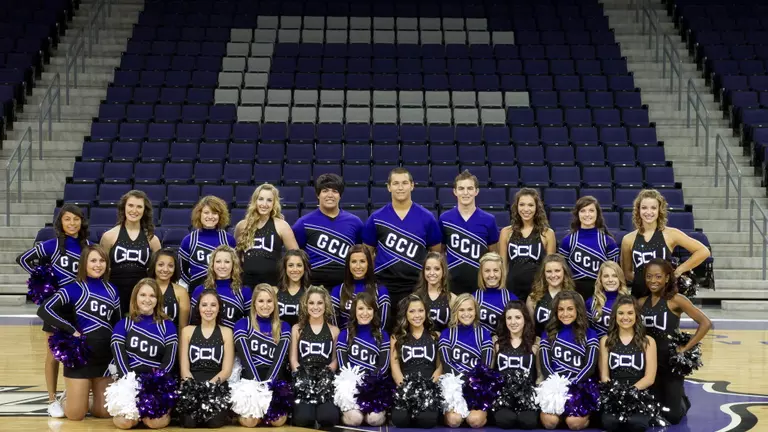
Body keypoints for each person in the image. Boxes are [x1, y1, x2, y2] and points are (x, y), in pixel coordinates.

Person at [17, 204, 90, 417]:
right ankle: (51, 398)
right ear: (60, 222)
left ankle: (71, 392)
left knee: (79, 348)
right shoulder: (51, 245)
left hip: (80, 306)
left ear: (82, 222)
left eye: (76, 219)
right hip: (56, 306)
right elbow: (22, 259)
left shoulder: (88, 246)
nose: (72, 223)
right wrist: (43, 278)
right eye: (67, 219)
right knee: (53, 355)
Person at [37, 245, 120, 421]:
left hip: (104, 356)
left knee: (104, 412)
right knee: (76, 415)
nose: (98, 265)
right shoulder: (73, 288)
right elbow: (45, 310)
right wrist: (70, 329)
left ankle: (86, 397)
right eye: (93, 261)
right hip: (81, 356)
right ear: (84, 264)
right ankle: (70, 397)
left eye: (102, 260)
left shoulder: (113, 290)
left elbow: (117, 324)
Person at [363, 167, 442, 327]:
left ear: (412, 185)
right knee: (384, 329)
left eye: (404, 183)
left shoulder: (427, 218)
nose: (400, 187)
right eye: (396, 183)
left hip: (416, 285)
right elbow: (367, 253)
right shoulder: (376, 218)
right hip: (384, 285)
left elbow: (436, 252)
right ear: (388, 187)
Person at [639, 258, 711, 425]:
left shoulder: (676, 300)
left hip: (670, 362)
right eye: (649, 276)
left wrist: (685, 348)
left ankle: (682, 400)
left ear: (667, 278)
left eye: (658, 276)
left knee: (673, 416)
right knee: (651, 411)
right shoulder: (641, 302)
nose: (653, 281)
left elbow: (705, 323)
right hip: (650, 363)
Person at [111, 278, 178, 429]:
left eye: (152, 296)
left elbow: (169, 360)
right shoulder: (123, 324)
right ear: (135, 297)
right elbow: (120, 358)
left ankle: (157, 411)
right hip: (130, 380)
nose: (147, 299)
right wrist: (130, 384)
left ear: (158, 299)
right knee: (125, 423)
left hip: (156, 382)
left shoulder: (168, 326)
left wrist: (155, 384)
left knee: (155, 423)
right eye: (142, 295)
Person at [620, 189, 710, 298]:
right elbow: (627, 273)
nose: (648, 212)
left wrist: (678, 271)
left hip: (665, 295)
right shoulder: (628, 239)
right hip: (639, 296)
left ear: (660, 210)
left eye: (653, 208)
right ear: (638, 210)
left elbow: (703, 251)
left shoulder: (671, 234)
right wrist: (644, 280)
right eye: (644, 208)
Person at [233, 283, 292, 427]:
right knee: (250, 422)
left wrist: (267, 387)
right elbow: (246, 360)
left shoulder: (284, 326)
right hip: (250, 380)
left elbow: (279, 360)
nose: (265, 305)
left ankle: (263, 413)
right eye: (261, 301)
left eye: (269, 301)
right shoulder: (242, 324)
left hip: (274, 378)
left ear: (275, 303)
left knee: (277, 421)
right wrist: (258, 387)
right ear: (254, 303)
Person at [539, 291, 599, 430]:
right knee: (550, 422)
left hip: (579, 385)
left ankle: (586, 418)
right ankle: (561, 417)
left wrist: (572, 385)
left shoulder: (590, 334)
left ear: (578, 309)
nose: (565, 313)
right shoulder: (548, 334)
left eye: (570, 309)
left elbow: (590, 366)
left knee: (574, 424)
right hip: (554, 387)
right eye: (561, 309)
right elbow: (545, 365)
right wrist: (558, 387)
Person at [292, 173, 364, 288]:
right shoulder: (303, 223)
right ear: (317, 195)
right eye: (325, 191)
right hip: (313, 288)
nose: (330, 195)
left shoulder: (355, 223)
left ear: (340, 195)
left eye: (335, 191)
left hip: (346, 287)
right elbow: (295, 255)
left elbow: (361, 255)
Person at [178, 288, 235, 428]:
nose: (208, 309)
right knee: (189, 423)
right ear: (198, 308)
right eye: (204, 305)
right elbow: (184, 369)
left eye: (213, 305)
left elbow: (226, 371)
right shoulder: (187, 331)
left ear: (219, 308)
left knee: (213, 423)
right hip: (192, 385)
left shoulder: (227, 332)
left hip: (216, 386)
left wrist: (208, 388)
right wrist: (194, 390)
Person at [599, 295, 657, 432]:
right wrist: (617, 393)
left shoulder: (648, 342)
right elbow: (604, 376)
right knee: (610, 424)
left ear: (637, 315)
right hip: (614, 396)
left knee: (637, 425)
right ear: (615, 316)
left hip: (638, 395)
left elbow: (649, 378)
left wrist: (630, 392)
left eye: (630, 313)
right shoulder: (605, 341)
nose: (625, 317)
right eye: (621, 313)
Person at [100, 190, 162, 314]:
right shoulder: (109, 236)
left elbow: (158, 271)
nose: (134, 210)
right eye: (131, 205)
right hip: (114, 293)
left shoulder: (152, 240)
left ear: (145, 210)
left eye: (139, 206)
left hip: (143, 296)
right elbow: (102, 269)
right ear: (124, 207)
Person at [439, 170, 499, 295]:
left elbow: (493, 254)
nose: (465, 193)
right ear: (455, 191)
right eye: (461, 188)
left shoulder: (489, 220)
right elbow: (441, 251)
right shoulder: (445, 219)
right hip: (452, 285)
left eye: (470, 188)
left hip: (480, 285)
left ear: (476, 191)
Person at [336, 292, 391, 427]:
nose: (365, 313)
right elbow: (343, 367)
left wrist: (370, 384)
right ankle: (346, 413)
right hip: (351, 388)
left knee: (374, 420)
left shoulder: (382, 335)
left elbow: (383, 366)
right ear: (354, 311)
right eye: (361, 308)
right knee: (355, 420)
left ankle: (380, 412)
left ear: (374, 311)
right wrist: (357, 385)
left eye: (369, 308)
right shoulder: (345, 334)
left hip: (374, 386)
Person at [439, 294, 493, 428]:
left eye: (470, 309)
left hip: (477, 385)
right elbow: (446, 364)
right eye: (461, 310)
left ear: (476, 311)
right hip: (453, 386)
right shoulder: (447, 334)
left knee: (475, 421)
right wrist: (464, 381)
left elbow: (485, 365)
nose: (466, 314)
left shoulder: (484, 334)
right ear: (455, 312)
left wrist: (472, 382)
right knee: (454, 421)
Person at [289, 286, 340, 428]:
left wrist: (328, 373)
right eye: (311, 303)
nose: (315, 307)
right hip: (304, 380)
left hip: (325, 380)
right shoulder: (297, 329)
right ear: (306, 305)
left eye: (320, 303)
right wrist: (302, 377)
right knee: (303, 419)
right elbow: (293, 358)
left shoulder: (334, 331)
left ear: (326, 305)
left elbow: (335, 358)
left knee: (329, 418)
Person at [391, 294, 442, 428]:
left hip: (428, 389)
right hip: (406, 389)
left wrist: (429, 385)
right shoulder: (397, 337)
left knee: (427, 421)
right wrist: (405, 388)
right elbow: (395, 365)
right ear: (405, 314)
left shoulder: (435, 336)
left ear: (426, 312)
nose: (417, 315)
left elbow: (440, 366)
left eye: (420, 310)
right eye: (412, 311)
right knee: (399, 420)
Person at [235, 183, 299, 287]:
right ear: (255, 201)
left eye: (269, 200)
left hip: (273, 285)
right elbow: (237, 257)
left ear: (274, 203)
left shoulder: (282, 225)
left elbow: (296, 256)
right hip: (246, 285)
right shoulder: (242, 226)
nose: (264, 204)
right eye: (261, 199)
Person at [500, 188, 556, 302]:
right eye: (522, 205)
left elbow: (550, 268)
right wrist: (503, 290)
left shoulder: (547, 234)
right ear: (516, 207)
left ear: (537, 208)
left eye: (530, 205)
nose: (526, 209)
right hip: (512, 289)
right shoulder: (506, 232)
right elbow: (503, 266)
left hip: (537, 291)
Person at [558, 196, 619, 300]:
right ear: (577, 214)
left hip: (600, 293)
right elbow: (563, 271)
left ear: (597, 214)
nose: (587, 214)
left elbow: (614, 272)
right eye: (583, 211)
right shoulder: (567, 241)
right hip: (574, 292)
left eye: (591, 210)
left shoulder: (608, 241)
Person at [492, 301, 539, 430]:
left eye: (518, 317)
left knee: (528, 422)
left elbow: (540, 375)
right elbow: (490, 371)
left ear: (525, 319)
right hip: (503, 397)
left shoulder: (536, 343)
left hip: (527, 397)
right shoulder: (496, 343)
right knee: (506, 420)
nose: (513, 322)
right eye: (509, 318)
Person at [178, 196, 237, 291]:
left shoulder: (228, 240)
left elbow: (235, 268)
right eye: (206, 213)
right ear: (199, 214)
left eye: (214, 213)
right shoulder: (189, 240)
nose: (210, 217)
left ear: (220, 215)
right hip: (196, 291)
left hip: (222, 291)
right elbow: (182, 271)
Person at [190, 245, 252, 330]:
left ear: (233, 264)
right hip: (204, 341)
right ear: (212, 264)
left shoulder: (244, 292)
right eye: (218, 261)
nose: (222, 266)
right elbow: (193, 323)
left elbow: (249, 324)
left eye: (227, 262)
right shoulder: (199, 290)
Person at [330, 245, 390, 331]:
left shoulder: (380, 290)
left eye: (362, 261)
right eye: (354, 261)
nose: (358, 266)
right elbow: (334, 327)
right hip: (345, 341)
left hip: (373, 342)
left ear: (368, 263)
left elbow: (384, 326)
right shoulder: (338, 291)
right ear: (348, 264)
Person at [525, 254, 576, 337]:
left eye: (557, 271)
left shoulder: (575, 297)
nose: (553, 275)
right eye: (549, 271)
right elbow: (530, 330)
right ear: (543, 274)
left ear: (564, 271)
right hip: (541, 345)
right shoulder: (533, 298)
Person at [474, 252, 517, 335]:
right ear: (481, 273)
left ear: (502, 272)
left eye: (496, 270)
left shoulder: (511, 298)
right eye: (487, 271)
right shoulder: (474, 298)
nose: (492, 275)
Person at [586, 261, 630, 339]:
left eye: (615, 276)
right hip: (598, 347)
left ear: (620, 279)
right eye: (606, 276)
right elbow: (587, 330)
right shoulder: (591, 302)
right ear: (600, 279)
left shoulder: (629, 301)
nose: (610, 280)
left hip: (622, 348)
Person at [148, 248, 190, 331]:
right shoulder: (143, 288)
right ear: (154, 265)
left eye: (170, 266)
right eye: (160, 265)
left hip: (171, 340)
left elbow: (183, 327)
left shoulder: (181, 292)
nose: (165, 269)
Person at [414, 252, 456, 333]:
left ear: (443, 271)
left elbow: (456, 329)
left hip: (444, 343)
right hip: (423, 344)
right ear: (423, 272)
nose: (432, 273)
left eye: (437, 269)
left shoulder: (452, 299)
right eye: (428, 269)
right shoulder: (416, 297)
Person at [276, 250, 311, 327]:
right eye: (291, 265)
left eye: (299, 265)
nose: (295, 269)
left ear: (305, 268)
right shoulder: (274, 291)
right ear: (285, 268)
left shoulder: (310, 293)